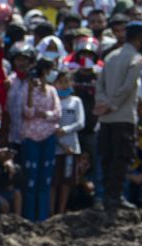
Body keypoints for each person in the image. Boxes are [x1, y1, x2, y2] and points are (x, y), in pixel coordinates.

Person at [94, 19, 142, 211]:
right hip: (123, 116)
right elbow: (128, 87)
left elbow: (100, 85)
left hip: (105, 117)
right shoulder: (136, 58)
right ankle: (114, 197)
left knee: (107, 157)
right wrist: (112, 105)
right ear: (140, 38)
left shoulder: (111, 56)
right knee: (121, 158)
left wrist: (103, 104)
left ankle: (107, 196)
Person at [19, 57, 60, 222]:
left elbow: (57, 113)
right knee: (31, 178)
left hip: (48, 137)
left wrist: (43, 114)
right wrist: (29, 92)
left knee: (45, 179)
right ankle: (29, 216)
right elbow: (27, 112)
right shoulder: (27, 89)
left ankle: (42, 217)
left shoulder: (52, 90)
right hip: (31, 137)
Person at [53, 69, 85, 216]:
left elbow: (80, 122)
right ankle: (51, 211)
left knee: (67, 181)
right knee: (54, 181)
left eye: (67, 81)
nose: (64, 85)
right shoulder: (53, 101)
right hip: (55, 146)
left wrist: (65, 130)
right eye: (61, 82)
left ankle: (61, 210)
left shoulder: (76, 101)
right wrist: (59, 139)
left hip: (71, 146)